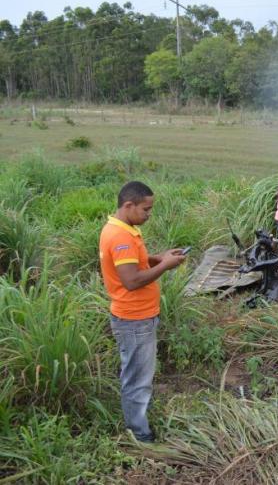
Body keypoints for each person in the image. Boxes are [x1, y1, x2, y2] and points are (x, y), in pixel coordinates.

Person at [99, 181, 186, 443]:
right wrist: (166, 266)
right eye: (146, 209)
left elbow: (132, 265)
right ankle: (139, 436)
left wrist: (158, 258)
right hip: (134, 319)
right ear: (129, 205)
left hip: (137, 317)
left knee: (137, 374)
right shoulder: (122, 236)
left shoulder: (121, 227)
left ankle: (138, 423)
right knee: (137, 380)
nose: (149, 214)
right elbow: (132, 280)